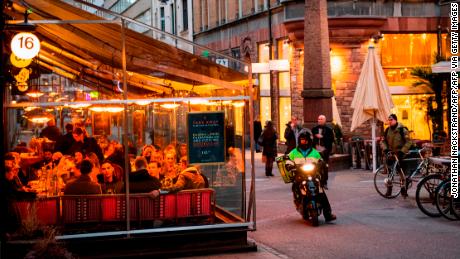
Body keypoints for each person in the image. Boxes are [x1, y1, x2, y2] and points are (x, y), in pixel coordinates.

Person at [288, 129, 336, 222]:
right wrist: (289, 165)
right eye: (301, 140)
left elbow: (320, 160)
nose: (303, 141)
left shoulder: (314, 152)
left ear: (309, 140)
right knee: (295, 186)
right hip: (300, 175)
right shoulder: (294, 152)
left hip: (313, 175)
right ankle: (298, 202)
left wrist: (321, 163)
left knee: (321, 191)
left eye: (305, 139)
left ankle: (328, 214)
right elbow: (288, 159)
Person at [380, 114, 413, 198]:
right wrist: (386, 149)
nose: (389, 122)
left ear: (395, 120)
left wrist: (403, 151)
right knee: (390, 174)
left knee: (402, 173)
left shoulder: (402, 129)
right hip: (391, 154)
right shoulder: (387, 130)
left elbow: (409, 142)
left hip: (400, 154)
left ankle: (403, 189)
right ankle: (389, 190)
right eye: (389, 120)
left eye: (391, 120)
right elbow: (382, 141)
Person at [312, 115, 335, 189]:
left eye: (321, 119)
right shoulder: (314, 129)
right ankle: (315, 182)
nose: (319, 120)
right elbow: (311, 138)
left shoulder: (329, 129)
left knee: (324, 167)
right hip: (315, 151)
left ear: (325, 120)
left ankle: (324, 182)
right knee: (314, 167)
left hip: (324, 150)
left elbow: (331, 139)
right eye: (318, 119)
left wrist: (322, 137)